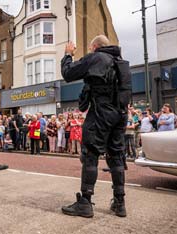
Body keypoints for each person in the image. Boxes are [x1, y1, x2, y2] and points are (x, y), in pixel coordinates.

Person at [61, 35, 130, 218]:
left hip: (101, 113)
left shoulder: (96, 57)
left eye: (91, 47)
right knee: (116, 155)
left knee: (90, 153)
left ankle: (85, 202)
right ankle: (119, 203)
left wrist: (68, 54)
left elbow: (68, 73)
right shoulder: (120, 62)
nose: (90, 50)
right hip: (120, 114)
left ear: (95, 46)